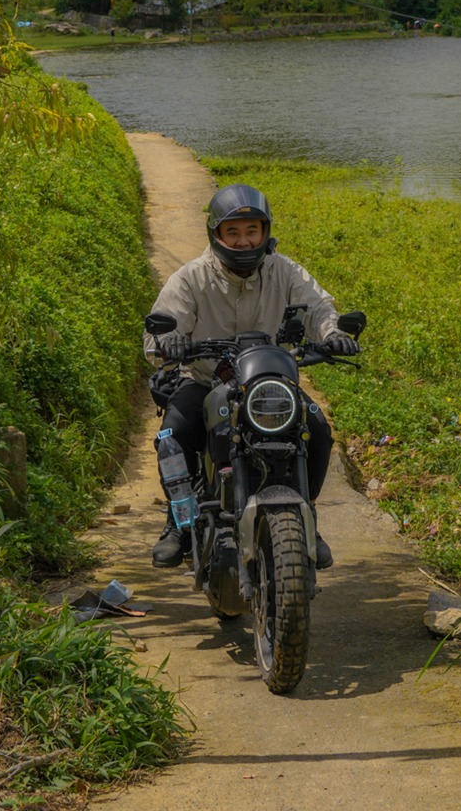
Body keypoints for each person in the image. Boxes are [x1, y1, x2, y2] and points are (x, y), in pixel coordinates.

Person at [144, 182, 359, 572]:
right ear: (216, 234)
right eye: (233, 232)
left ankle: (306, 515)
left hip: (269, 384)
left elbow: (319, 308)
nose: (244, 241)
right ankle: (179, 522)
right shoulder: (191, 277)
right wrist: (169, 342)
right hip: (208, 381)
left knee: (318, 430)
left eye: (251, 231)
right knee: (172, 436)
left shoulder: (286, 271)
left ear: (265, 232)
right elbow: (162, 327)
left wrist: (332, 334)